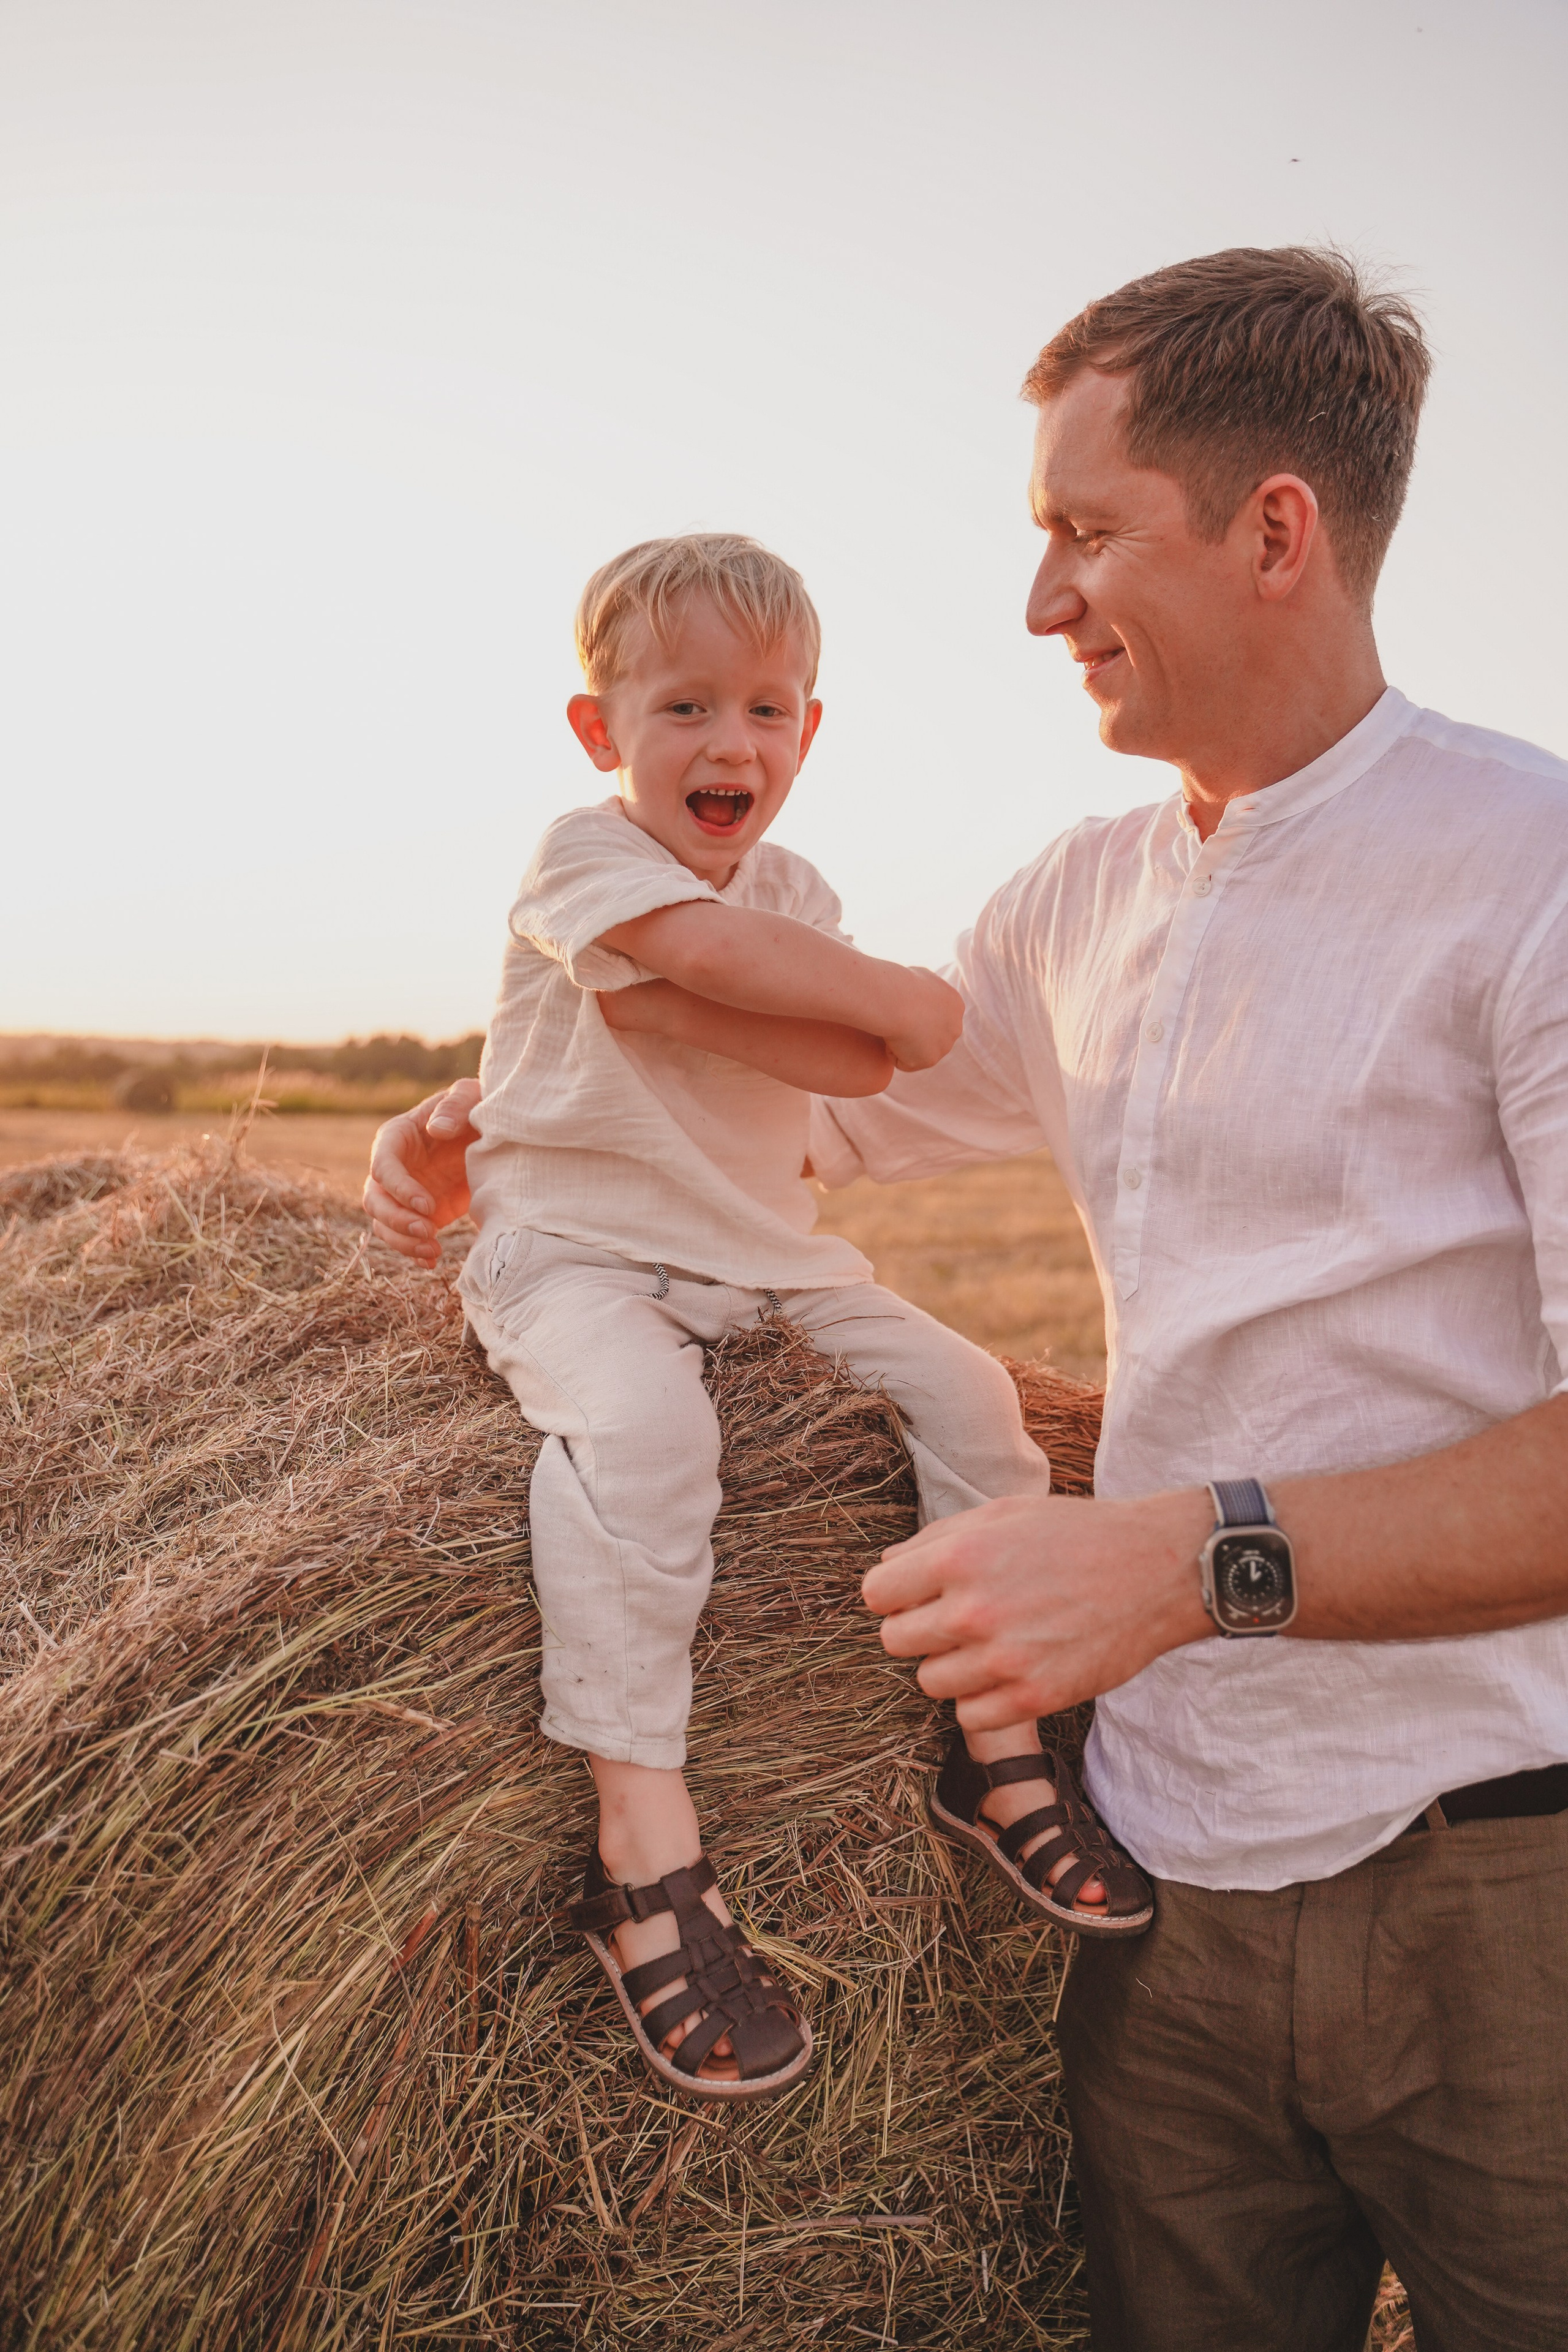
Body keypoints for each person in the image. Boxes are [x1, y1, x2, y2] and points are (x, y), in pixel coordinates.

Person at [366, 249, 1568, 2345]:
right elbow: (794, 1130)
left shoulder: (1530, 873)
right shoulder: (1078, 902)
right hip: (1164, 1882)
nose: (1040, 605)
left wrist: (1189, 1566)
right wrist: (508, 1103)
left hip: (1503, 1893)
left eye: (1087, 536)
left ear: (1276, 531)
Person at [419, 534, 1152, 2108]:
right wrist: (813, 993)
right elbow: (729, 958)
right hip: (575, 1256)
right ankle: (644, 1856)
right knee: (643, 1438)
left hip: (766, 1255)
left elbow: (887, 1052)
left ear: (808, 733)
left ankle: (994, 1741)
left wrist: (774, 1008)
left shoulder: (796, 888)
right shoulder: (581, 857)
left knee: (973, 1402)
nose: (728, 744)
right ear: (598, 728)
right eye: (682, 706)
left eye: (767, 709)